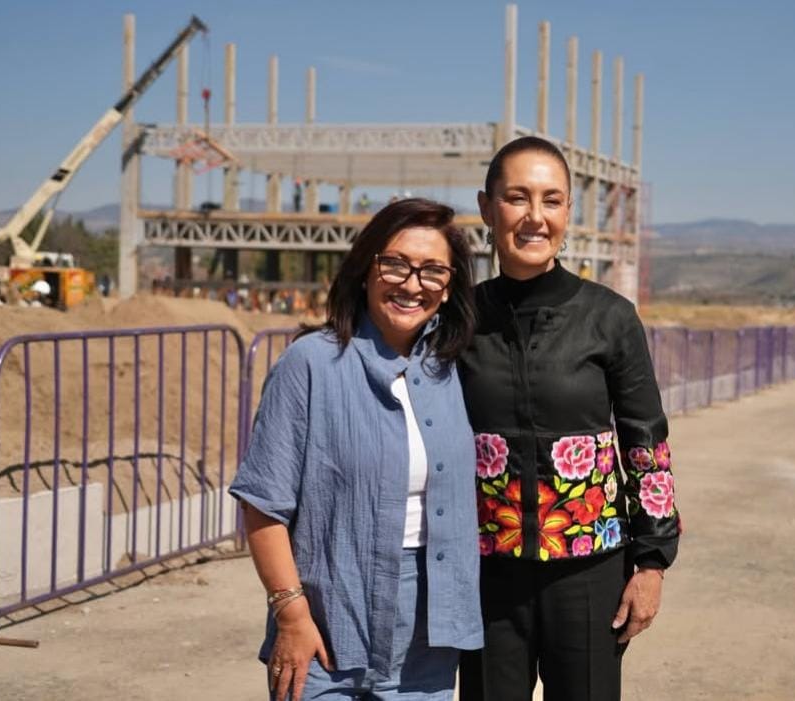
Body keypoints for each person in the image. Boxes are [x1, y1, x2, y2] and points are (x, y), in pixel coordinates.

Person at [229, 198, 483, 701]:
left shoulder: (455, 370)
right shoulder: (310, 364)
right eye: (395, 264)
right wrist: (292, 615)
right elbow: (262, 505)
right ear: (365, 269)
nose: (412, 284)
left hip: (428, 634)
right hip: (326, 625)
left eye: (433, 271)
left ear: (450, 286)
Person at [458, 136, 680, 701]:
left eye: (551, 200)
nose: (535, 217)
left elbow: (646, 446)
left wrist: (651, 564)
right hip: (488, 577)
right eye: (517, 198)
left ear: (567, 213)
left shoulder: (610, 318)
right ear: (487, 208)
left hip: (589, 575)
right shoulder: (458, 319)